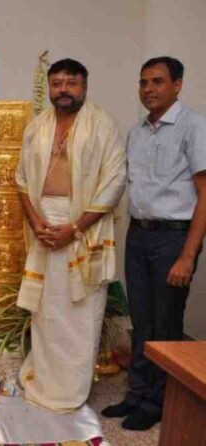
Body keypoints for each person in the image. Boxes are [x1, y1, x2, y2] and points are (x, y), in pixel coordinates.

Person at [15, 58, 126, 412]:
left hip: (83, 228)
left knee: (80, 314)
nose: (63, 89)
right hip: (44, 225)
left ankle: (69, 392)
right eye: (57, 83)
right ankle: (43, 380)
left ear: (84, 86)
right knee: (46, 313)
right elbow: (21, 180)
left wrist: (75, 227)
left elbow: (114, 182)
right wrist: (35, 221)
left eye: (71, 83)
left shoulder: (103, 125)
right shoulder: (37, 127)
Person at [102, 57, 206, 430]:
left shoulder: (194, 127)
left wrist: (188, 256)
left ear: (177, 85)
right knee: (141, 319)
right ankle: (138, 393)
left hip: (173, 237)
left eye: (158, 81)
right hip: (139, 234)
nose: (149, 89)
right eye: (143, 82)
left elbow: (204, 194)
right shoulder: (137, 133)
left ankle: (159, 401)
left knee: (165, 322)